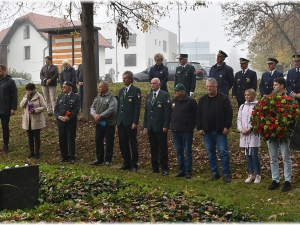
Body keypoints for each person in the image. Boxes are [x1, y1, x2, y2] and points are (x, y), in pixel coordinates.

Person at [196, 78, 233, 183]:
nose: (209, 88)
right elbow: (198, 114)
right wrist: (199, 127)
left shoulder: (223, 98)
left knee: (223, 152)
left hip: (220, 131)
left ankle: (226, 173)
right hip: (207, 132)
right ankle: (215, 172)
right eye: (207, 87)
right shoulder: (202, 100)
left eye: (211, 87)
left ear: (216, 87)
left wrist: (227, 126)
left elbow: (229, 113)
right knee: (210, 153)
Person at [267, 77, 293, 192]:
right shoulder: (270, 99)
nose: (274, 87)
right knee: (273, 157)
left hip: (284, 132)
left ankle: (287, 181)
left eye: (276, 85)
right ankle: (275, 179)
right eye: (274, 85)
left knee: (286, 157)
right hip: (271, 132)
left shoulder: (289, 100)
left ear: (282, 86)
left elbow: (293, 116)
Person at [144, 78, 171, 176]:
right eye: (151, 83)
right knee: (153, 147)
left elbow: (167, 112)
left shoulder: (165, 95)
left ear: (159, 84)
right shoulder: (149, 96)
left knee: (162, 148)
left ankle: (164, 167)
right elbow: (146, 112)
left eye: (154, 83)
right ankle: (155, 167)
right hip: (151, 126)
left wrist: (166, 125)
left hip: (160, 126)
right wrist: (145, 125)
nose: (152, 85)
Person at [171, 83, 197, 179]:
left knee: (188, 151)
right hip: (175, 129)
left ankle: (188, 170)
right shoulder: (173, 101)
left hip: (186, 130)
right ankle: (181, 169)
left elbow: (195, 115)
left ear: (182, 92)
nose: (175, 92)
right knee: (179, 151)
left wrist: (192, 127)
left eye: (177, 91)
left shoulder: (190, 101)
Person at [117, 71, 141, 172]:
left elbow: (137, 107)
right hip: (121, 122)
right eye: (123, 78)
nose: (123, 80)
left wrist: (135, 122)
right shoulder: (121, 90)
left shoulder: (136, 90)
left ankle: (134, 163)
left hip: (130, 122)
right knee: (123, 143)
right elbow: (119, 107)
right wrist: (117, 121)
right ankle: (126, 162)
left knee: (133, 143)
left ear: (130, 79)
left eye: (125, 78)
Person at [89, 81, 117, 167]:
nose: (99, 88)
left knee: (109, 142)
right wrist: (95, 115)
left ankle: (108, 160)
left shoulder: (112, 97)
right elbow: (92, 108)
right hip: (100, 123)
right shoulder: (97, 97)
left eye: (100, 87)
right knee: (98, 140)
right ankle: (99, 159)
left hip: (109, 124)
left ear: (105, 88)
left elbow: (111, 109)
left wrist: (100, 116)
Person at [237, 88, 261, 184]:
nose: (247, 96)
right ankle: (251, 173)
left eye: (248, 95)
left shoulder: (257, 105)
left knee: (254, 154)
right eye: (245, 95)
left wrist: (250, 129)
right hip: (244, 133)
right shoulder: (242, 106)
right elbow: (239, 118)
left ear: (253, 95)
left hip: (253, 133)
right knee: (247, 154)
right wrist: (241, 129)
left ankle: (258, 174)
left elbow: (258, 119)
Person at [54, 81, 80, 164]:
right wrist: (59, 116)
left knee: (70, 139)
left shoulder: (76, 97)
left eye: (64, 87)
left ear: (70, 87)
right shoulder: (60, 96)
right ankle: (63, 156)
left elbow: (76, 110)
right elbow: (56, 109)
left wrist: (69, 118)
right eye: (62, 87)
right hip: (61, 122)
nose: (62, 88)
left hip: (70, 122)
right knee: (62, 139)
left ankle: (71, 156)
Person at [20, 83, 46, 159]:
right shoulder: (25, 96)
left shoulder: (39, 96)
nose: (28, 92)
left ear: (33, 90)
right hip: (28, 119)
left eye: (30, 90)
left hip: (36, 119)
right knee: (30, 137)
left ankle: (37, 152)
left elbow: (44, 106)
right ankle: (31, 152)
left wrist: (35, 110)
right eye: (27, 90)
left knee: (36, 136)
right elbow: (21, 105)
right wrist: (26, 98)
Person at [0, 64, 18, 153]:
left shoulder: (10, 81)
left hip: (5, 109)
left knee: (5, 128)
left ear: (4, 71)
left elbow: (14, 95)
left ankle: (6, 146)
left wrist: (13, 108)